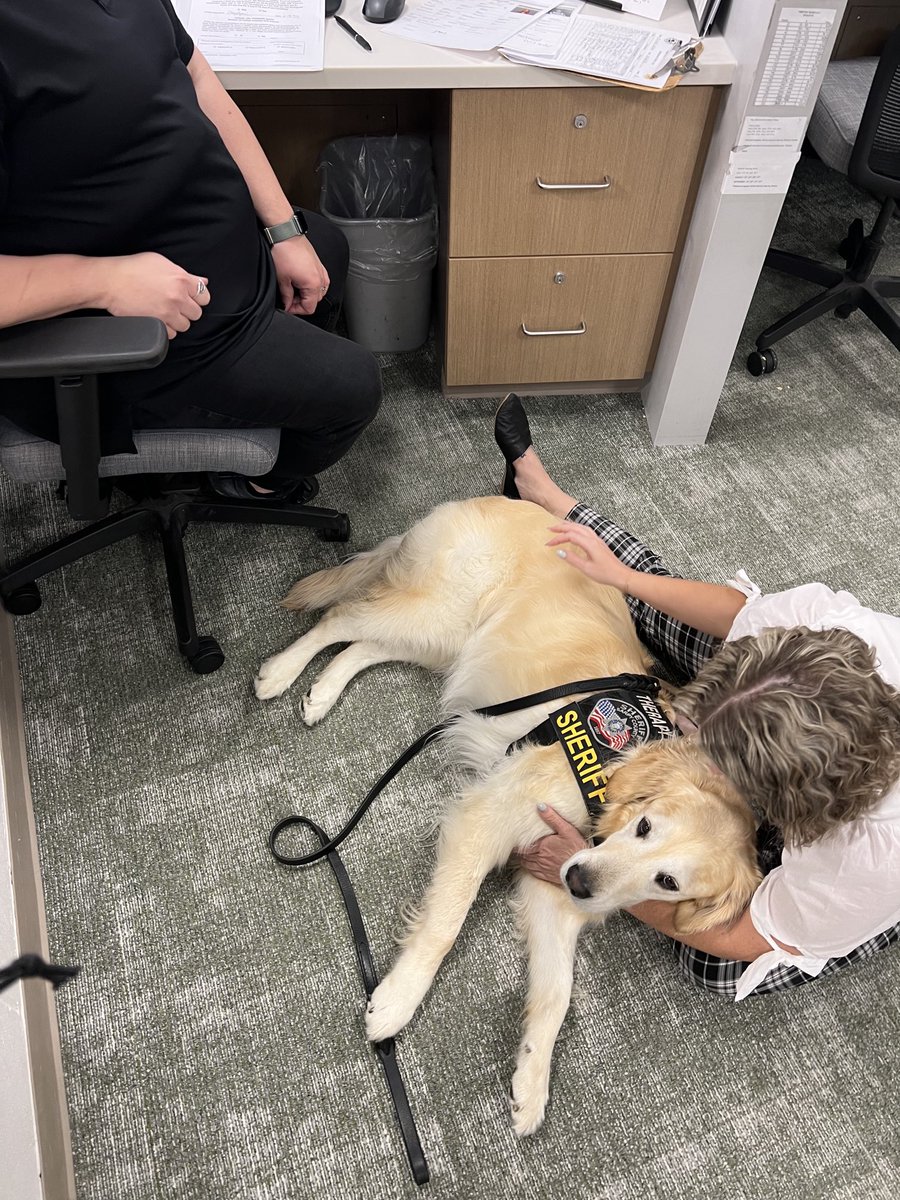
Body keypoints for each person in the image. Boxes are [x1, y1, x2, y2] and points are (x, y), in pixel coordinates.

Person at [493, 393, 900, 1000]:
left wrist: (605, 875)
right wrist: (624, 578)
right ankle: (545, 493)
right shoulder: (839, 632)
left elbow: (743, 937)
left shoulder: (868, 858)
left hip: (869, 875)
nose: (679, 728)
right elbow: (734, 614)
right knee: (659, 609)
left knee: (713, 968)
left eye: (716, 753)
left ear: (787, 805)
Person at [0, 0, 382, 503]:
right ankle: (255, 486)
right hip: (133, 332)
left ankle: (252, 413)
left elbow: (199, 81)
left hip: (212, 254)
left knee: (325, 245)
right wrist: (105, 282)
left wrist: (283, 230)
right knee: (355, 388)